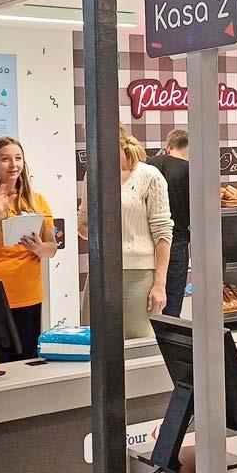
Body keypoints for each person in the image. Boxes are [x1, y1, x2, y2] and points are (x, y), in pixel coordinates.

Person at [0, 137, 57, 360]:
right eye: (5, 159)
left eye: (18, 158)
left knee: (25, 362)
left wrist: (39, 248)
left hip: (28, 297)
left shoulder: (36, 200)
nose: (13, 164)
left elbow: (51, 248)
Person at [78, 127, 173, 339]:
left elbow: (163, 233)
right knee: (94, 340)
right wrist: (100, 235)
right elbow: (82, 224)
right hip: (100, 272)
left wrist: (160, 284)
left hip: (138, 275)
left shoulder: (149, 175)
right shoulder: (92, 175)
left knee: (136, 341)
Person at [148, 128, 190, 318]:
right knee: (172, 301)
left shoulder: (149, 165)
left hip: (149, 240)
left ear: (168, 147)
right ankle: (168, 334)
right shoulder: (190, 171)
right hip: (176, 239)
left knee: (148, 298)